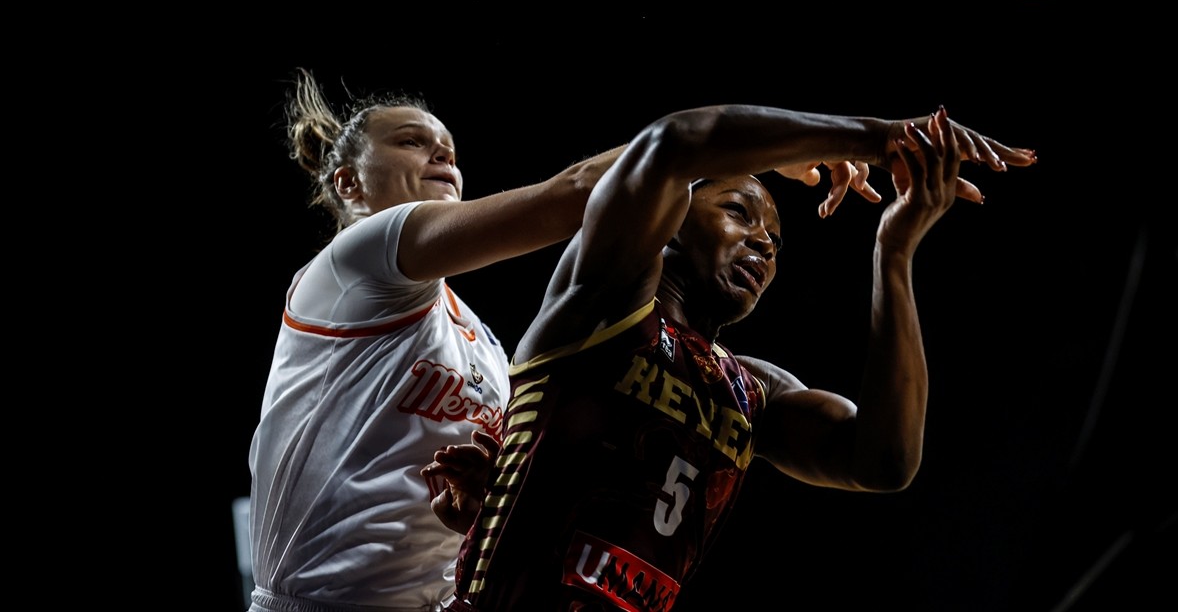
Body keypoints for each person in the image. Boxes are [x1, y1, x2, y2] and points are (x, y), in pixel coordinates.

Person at [429, 104, 1036, 611]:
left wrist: (894, 252)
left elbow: (885, 461)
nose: (763, 242)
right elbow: (671, 144)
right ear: (670, 220)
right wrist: (877, 138)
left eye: (775, 241)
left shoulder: (754, 390)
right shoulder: (605, 304)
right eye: (739, 212)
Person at [246, 69, 637, 612]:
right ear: (349, 182)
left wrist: (481, 506)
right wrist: (694, 157)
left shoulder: (486, 345)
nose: (443, 156)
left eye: (449, 149)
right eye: (412, 141)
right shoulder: (354, 264)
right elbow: (570, 194)